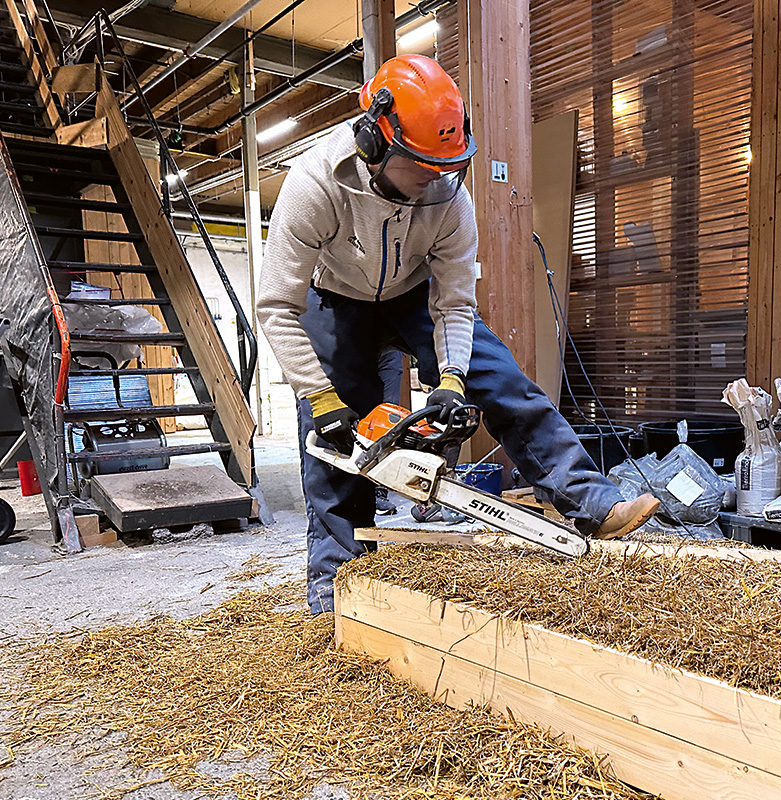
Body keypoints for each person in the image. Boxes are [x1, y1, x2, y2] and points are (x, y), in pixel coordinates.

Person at [257, 55, 660, 613]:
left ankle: (588, 498)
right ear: (375, 142)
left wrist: (449, 379)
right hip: (333, 297)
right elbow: (276, 306)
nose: (434, 177)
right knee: (332, 441)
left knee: (498, 376)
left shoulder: (449, 199)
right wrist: (319, 395)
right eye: (420, 164)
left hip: (412, 291)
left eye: (445, 164)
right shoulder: (315, 185)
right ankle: (335, 583)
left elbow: (454, 303)